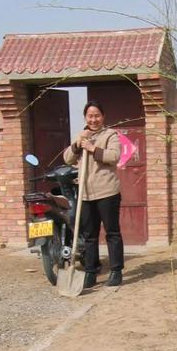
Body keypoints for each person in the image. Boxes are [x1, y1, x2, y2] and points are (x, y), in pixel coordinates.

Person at [63, 100, 124, 288]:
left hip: (107, 192)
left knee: (112, 233)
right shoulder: (81, 136)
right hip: (86, 194)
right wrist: (77, 144)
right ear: (85, 117)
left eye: (97, 115)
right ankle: (91, 271)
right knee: (89, 235)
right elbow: (67, 158)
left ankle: (116, 271)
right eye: (90, 116)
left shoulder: (110, 135)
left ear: (103, 117)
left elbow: (114, 157)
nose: (93, 119)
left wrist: (92, 149)